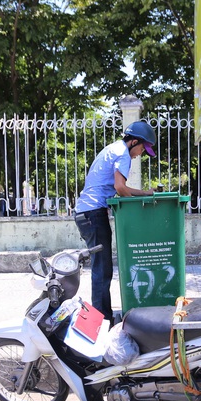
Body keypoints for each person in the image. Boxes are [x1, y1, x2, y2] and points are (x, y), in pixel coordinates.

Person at [74, 119, 157, 320]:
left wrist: (144, 194)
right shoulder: (123, 155)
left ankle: (102, 316)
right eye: (143, 149)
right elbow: (120, 188)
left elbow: (121, 188)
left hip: (87, 213)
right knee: (102, 271)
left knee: (101, 269)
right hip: (93, 214)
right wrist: (134, 209)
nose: (141, 154)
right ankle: (102, 320)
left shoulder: (114, 149)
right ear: (134, 142)